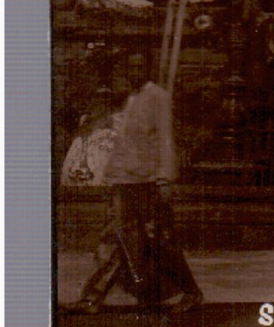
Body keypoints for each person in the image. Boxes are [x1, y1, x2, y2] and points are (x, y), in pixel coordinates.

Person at [75, 63, 202, 313]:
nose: (130, 73)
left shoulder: (157, 97)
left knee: (159, 241)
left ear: (145, 69)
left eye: (135, 67)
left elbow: (165, 138)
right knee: (115, 238)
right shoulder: (131, 98)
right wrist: (112, 173)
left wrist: (164, 178)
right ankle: (92, 297)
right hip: (125, 180)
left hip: (147, 181)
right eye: (127, 68)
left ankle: (191, 292)